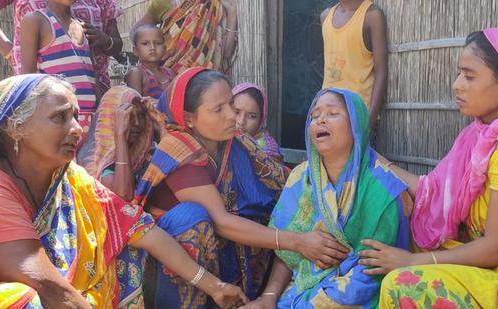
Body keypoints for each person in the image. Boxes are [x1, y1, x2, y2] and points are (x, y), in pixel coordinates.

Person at [0, 74, 248, 308]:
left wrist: (215, 286)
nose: (77, 128)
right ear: (17, 128)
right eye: (60, 118)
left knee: (123, 247)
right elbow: (47, 287)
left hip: (67, 296)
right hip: (23, 296)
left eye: (76, 117)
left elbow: (141, 229)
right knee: (20, 299)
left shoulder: (70, 179)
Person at [126, 67, 351, 307]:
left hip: (219, 249)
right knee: (191, 218)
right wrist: (298, 241)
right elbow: (221, 222)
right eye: (218, 109)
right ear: (189, 117)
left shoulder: (235, 142)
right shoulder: (177, 150)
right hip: (171, 259)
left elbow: (278, 185)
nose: (232, 116)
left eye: (231, 104)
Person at [359, 28, 498, 308]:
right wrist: (377, 161)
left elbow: (497, 250)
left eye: (469, 76)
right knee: (394, 237)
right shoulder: (476, 138)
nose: (457, 85)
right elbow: (432, 189)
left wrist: (413, 261)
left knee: (401, 284)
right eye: (459, 73)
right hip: (485, 260)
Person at [240, 88, 411, 308]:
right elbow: (288, 250)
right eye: (314, 115)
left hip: (356, 293)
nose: (320, 120)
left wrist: (316, 302)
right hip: (299, 289)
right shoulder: (301, 177)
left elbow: (373, 272)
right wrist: (270, 296)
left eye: (332, 113)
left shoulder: (382, 190)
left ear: (356, 125)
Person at [0, 0, 122, 99]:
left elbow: (116, 45)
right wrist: (11, 54)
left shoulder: (82, 23)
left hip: (91, 94)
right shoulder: (34, 20)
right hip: (42, 95)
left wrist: (106, 41)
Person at [19, 0, 96, 138]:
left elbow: (91, 75)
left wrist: (99, 113)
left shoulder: (81, 26)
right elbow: (27, 77)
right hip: (59, 119)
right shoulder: (36, 21)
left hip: (90, 118)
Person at [77, 86, 166, 202]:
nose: (137, 123)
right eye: (129, 116)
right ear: (112, 119)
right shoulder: (94, 162)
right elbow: (123, 195)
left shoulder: (142, 153)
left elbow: (171, 165)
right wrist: (120, 135)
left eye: (140, 115)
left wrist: (161, 124)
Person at [320, 0, 388, 131]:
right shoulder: (325, 17)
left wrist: (367, 125)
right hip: (327, 116)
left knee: (357, 153)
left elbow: (381, 73)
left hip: (358, 118)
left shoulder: (371, 16)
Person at [131, 0, 238, 74]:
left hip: (204, 82)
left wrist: (232, 14)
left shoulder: (212, 4)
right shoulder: (161, 3)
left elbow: (226, 53)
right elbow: (135, 32)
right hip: (168, 76)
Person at [232, 83, 283, 163]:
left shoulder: (267, 151)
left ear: (261, 120)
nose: (241, 122)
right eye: (236, 112)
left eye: (251, 116)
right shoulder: (218, 139)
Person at [127, 24, 175, 99]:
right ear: (135, 50)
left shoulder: (170, 73)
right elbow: (136, 105)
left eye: (158, 43)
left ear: (165, 48)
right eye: (145, 43)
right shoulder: (136, 73)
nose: (152, 48)